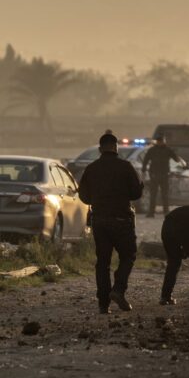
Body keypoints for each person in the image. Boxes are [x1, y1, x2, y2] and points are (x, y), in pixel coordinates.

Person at [79, 134, 144, 314]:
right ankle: (118, 290)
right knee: (128, 256)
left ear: (100, 149)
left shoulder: (91, 169)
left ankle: (103, 304)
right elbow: (136, 193)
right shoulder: (126, 167)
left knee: (103, 263)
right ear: (116, 147)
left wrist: (98, 198)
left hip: (100, 221)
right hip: (122, 220)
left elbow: (83, 196)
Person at [142, 135, 180, 218]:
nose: (160, 142)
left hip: (164, 175)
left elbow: (176, 159)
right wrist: (144, 170)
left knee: (164, 195)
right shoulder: (152, 150)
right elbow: (146, 160)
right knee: (153, 195)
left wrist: (175, 155)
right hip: (154, 175)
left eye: (161, 141)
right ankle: (151, 212)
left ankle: (166, 212)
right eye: (159, 141)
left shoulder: (168, 150)